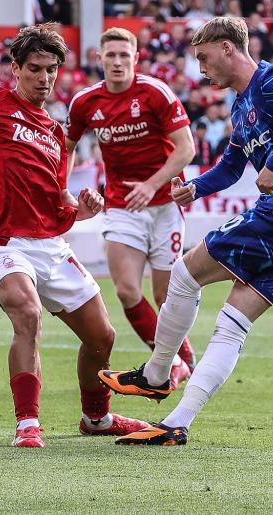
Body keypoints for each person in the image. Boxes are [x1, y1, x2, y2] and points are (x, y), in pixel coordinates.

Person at [99, 17, 273, 445]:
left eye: (204, 58)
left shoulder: (271, 79)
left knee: (185, 274)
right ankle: (176, 423)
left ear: (228, 48)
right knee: (231, 326)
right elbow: (230, 166)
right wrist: (193, 189)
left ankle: (155, 373)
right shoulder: (242, 107)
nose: (202, 70)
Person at [0, 24, 148, 450]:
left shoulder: (58, 134)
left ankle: (96, 418)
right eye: (35, 69)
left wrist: (82, 210)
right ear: (15, 68)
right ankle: (27, 424)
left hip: (51, 247)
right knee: (28, 314)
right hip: (5, 241)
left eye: (51, 70)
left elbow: (59, 202)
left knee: (103, 336)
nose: (44, 78)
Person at [66, 28, 197, 389]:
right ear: (100, 59)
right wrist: (63, 188)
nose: (118, 62)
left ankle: (183, 358)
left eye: (125, 55)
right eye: (111, 55)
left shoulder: (155, 93)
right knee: (126, 290)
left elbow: (186, 148)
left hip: (164, 206)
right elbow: (68, 143)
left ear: (136, 59)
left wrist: (153, 184)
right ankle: (170, 363)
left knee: (164, 296)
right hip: (122, 205)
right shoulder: (85, 102)